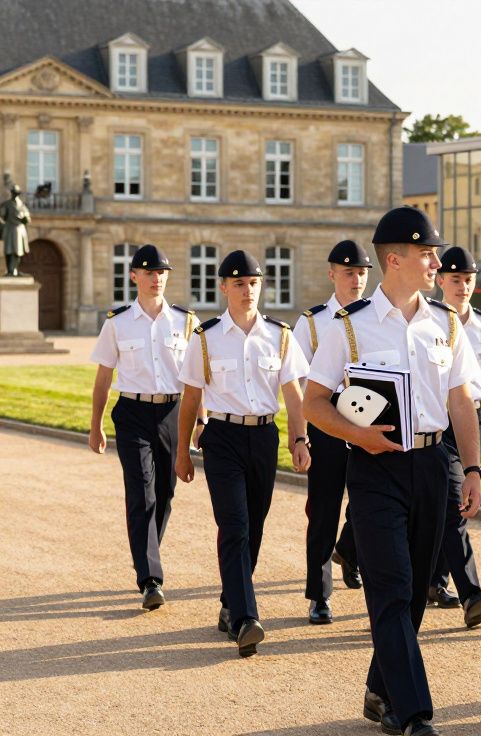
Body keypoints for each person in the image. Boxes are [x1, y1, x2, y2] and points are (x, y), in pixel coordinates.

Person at [302, 206, 481, 736]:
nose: (436, 261)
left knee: (414, 590)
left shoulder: (447, 324)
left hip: (432, 464)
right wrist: (356, 435)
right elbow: (315, 402)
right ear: (395, 259)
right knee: (391, 585)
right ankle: (413, 712)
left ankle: (382, 689)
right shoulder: (349, 327)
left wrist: (471, 468)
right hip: (374, 469)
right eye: (427, 253)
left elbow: (460, 403)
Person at [175, 249, 311, 658]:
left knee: (254, 526)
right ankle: (246, 618)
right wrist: (182, 451)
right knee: (233, 525)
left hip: (264, 438)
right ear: (224, 288)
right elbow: (190, 398)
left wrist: (300, 439)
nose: (247, 290)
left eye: (253, 283)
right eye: (238, 283)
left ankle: (229, 600)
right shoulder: (206, 338)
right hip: (222, 438)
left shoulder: (280, 335)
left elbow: (294, 393)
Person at [88, 244, 195, 610]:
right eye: (149, 272)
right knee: (142, 492)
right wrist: (95, 425)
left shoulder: (186, 322)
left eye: (162, 272)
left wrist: (200, 422)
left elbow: (196, 380)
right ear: (134, 276)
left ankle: (146, 554)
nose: (156, 278)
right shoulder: (117, 322)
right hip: (131, 413)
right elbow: (103, 378)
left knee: (164, 494)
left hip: (171, 413)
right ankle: (150, 578)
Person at [426, 245, 481, 629]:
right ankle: (471, 592)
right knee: (454, 501)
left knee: (452, 503)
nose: (463, 286)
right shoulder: (429, 321)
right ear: (441, 280)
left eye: (469, 280)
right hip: (437, 419)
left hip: (473, 419)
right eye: (456, 279)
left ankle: (432, 581)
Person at [292, 240, 371, 625]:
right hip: (327, 423)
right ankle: (319, 595)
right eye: (348, 273)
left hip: (369, 423)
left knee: (371, 504)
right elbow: (299, 381)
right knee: (323, 510)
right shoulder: (312, 322)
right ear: (332, 275)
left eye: (361, 273)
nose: (356, 279)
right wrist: (302, 435)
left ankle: (350, 552)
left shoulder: (375, 318)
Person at [1, 184, 31, 276]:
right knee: (9, 250)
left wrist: (24, 219)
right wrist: (3, 225)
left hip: (19, 229)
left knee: (19, 251)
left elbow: (27, 219)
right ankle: (10, 270)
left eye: (16, 193)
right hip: (10, 228)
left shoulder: (22, 205)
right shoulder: (7, 204)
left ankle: (15, 270)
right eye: (14, 193)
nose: (15, 194)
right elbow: (1, 215)